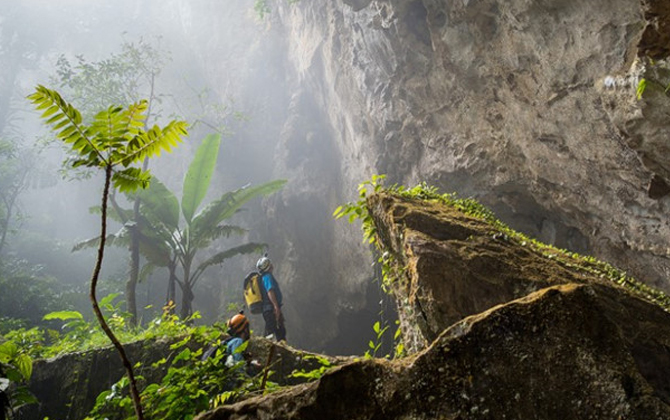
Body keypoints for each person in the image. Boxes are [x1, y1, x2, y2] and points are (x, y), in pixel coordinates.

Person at [256, 255, 286, 341]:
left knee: (279, 329)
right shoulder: (267, 277)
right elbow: (270, 291)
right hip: (270, 308)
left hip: (268, 309)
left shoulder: (264, 278)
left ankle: (282, 345)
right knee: (271, 331)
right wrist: (275, 306)